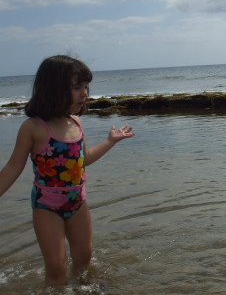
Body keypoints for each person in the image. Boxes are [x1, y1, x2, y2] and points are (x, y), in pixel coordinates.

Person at [0, 55, 135, 285]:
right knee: (56, 267)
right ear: (54, 89)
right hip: (46, 206)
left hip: (77, 202)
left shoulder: (75, 123)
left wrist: (110, 141)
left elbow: (83, 161)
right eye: (77, 87)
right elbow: (13, 167)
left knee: (84, 257)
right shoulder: (33, 127)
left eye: (85, 87)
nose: (84, 93)